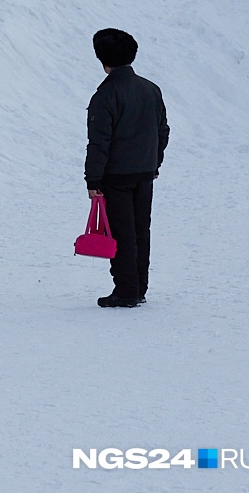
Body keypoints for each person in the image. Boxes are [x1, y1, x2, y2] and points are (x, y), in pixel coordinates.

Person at [85, 29, 169, 308]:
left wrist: (93, 180)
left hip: (115, 177)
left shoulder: (104, 96)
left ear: (103, 61)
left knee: (121, 233)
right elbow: (162, 130)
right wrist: (154, 162)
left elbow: (99, 143)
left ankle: (126, 291)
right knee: (140, 230)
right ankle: (140, 287)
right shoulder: (151, 89)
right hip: (145, 174)